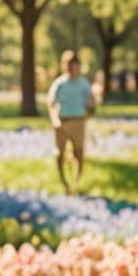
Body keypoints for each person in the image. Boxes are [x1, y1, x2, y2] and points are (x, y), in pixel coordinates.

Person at [47, 49, 95, 194]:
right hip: (63, 121)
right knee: (59, 153)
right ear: (65, 67)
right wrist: (55, 120)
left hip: (78, 121)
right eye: (71, 67)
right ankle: (63, 182)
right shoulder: (60, 84)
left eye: (76, 67)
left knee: (79, 152)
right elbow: (51, 103)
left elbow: (91, 103)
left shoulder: (84, 84)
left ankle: (76, 182)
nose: (74, 70)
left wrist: (91, 105)